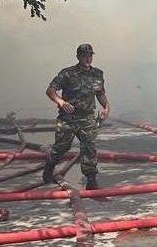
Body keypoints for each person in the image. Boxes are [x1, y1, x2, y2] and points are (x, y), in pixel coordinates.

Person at [43, 44, 110, 190]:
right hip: (68, 118)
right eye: (85, 55)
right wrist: (61, 101)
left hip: (87, 118)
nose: (88, 58)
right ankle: (49, 167)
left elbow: (100, 93)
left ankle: (91, 180)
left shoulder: (97, 74)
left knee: (89, 147)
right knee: (61, 147)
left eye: (90, 55)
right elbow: (50, 90)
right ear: (78, 57)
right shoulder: (67, 73)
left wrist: (106, 107)